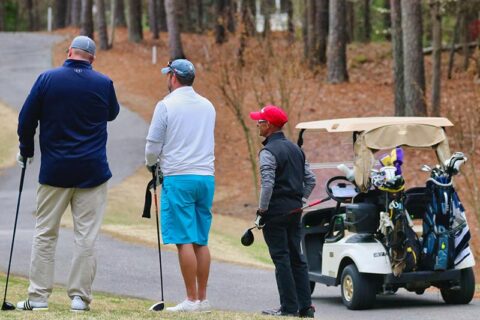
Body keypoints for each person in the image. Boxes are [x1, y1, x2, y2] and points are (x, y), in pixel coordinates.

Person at [16, 36, 120, 311]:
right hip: (93, 172)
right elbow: (112, 114)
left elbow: (26, 118)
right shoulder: (104, 83)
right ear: (92, 59)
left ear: (69, 52)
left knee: (45, 234)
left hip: (54, 171)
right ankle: (79, 298)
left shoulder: (46, 79)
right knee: (85, 236)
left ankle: (38, 297)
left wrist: (26, 150)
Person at [145, 59, 216, 312]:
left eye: (168, 75)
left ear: (174, 77)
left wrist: (150, 163)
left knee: (183, 239)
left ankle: (191, 299)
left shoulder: (166, 105)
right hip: (206, 177)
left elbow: (153, 145)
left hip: (179, 177)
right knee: (200, 239)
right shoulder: (208, 106)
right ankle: (203, 299)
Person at [250, 105, 316, 318]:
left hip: (276, 213)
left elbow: (267, 184)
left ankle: (288, 308)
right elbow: (311, 180)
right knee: (297, 258)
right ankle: (306, 307)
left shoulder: (268, 151)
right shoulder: (296, 149)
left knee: (282, 259)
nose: (257, 124)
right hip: (295, 211)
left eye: (260, 121)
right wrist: (302, 199)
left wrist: (262, 210)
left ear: (268, 125)